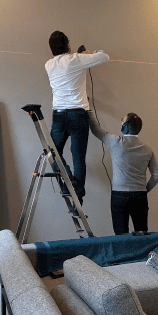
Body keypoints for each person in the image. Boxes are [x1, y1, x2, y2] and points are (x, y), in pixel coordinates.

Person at [43, 31, 109, 203]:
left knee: (52, 152)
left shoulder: (48, 64)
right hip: (78, 115)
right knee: (78, 158)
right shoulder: (76, 59)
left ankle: (66, 174)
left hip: (59, 115)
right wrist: (87, 55)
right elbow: (104, 57)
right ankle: (77, 196)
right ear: (68, 45)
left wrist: (82, 57)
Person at [87, 112, 158, 235]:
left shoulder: (115, 141)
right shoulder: (148, 149)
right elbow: (157, 175)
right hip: (140, 196)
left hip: (119, 196)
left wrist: (89, 112)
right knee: (141, 235)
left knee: (121, 237)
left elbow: (95, 129)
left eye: (122, 121)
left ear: (124, 127)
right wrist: (144, 189)